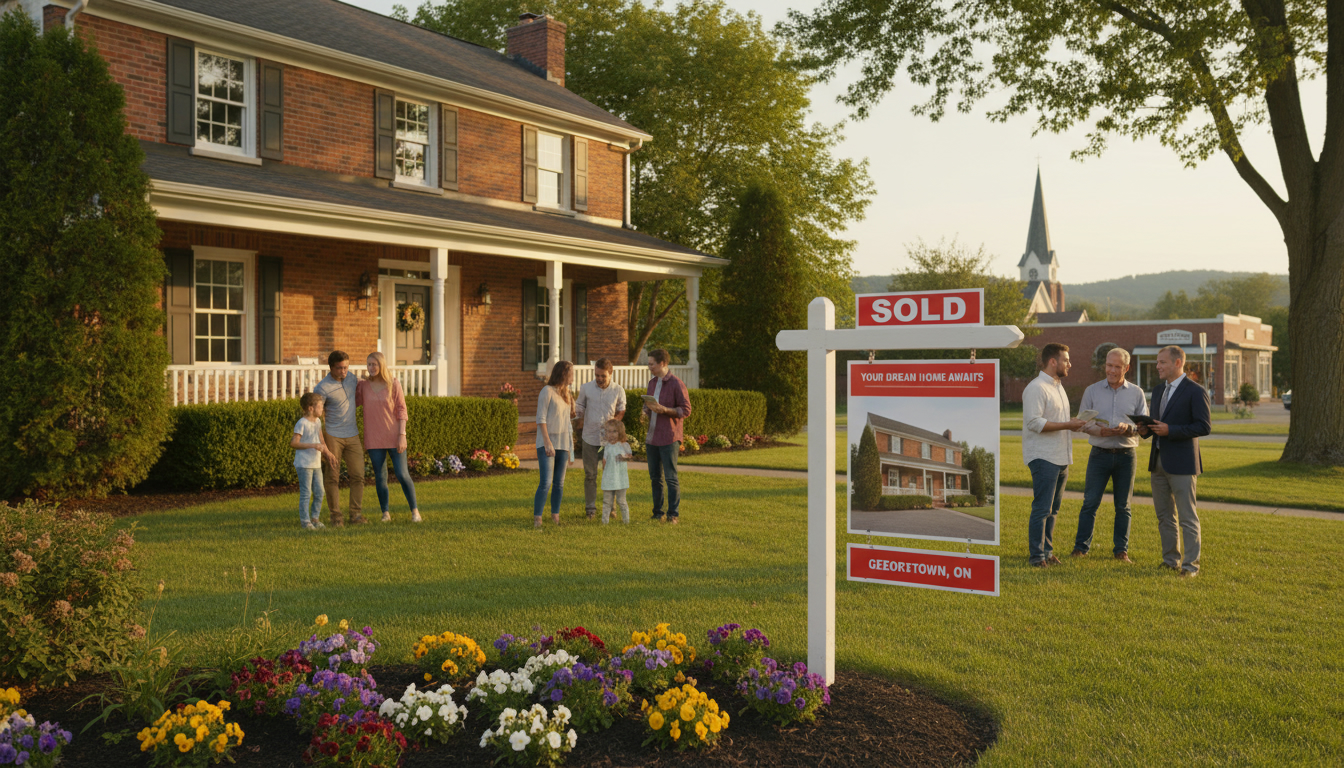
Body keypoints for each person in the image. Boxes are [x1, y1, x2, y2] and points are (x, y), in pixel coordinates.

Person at [1137, 345, 1211, 577]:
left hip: (1182, 463)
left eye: (1162, 362)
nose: (1157, 366)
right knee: (1164, 516)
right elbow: (1158, 425)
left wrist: (1172, 430)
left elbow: (1203, 426)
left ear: (1178, 363)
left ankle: (1191, 566)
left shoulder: (1195, 391)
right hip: (1157, 461)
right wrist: (1145, 430)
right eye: (1157, 362)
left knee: (1187, 517)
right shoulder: (1159, 390)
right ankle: (1170, 561)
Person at [1072, 348, 1148, 563]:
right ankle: (1081, 548)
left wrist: (1129, 428)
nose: (1111, 370)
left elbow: (1144, 428)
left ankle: (1121, 551)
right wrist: (1099, 430)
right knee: (1090, 503)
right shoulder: (1092, 391)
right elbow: (1082, 423)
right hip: (1099, 454)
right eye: (1108, 365)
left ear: (1126, 368)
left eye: (1116, 366)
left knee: (1123, 506)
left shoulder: (1136, 393)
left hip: (1126, 455)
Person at [1022, 343, 1087, 568]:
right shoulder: (1037, 387)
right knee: (1042, 509)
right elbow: (1034, 423)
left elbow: (1060, 422)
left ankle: (1047, 552)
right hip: (1043, 457)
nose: (1070, 364)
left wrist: (1074, 424)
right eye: (1066, 360)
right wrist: (1068, 424)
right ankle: (1036, 557)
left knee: (1053, 510)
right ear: (1053, 362)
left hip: (1061, 457)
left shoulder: (1058, 386)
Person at [356, 352, 421, 524]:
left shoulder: (393, 383)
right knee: (380, 477)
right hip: (373, 438)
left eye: (374, 364)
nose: (371, 368)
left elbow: (401, 410)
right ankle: (385, 513)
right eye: (369, 364)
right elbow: (350, 402)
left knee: (402, 474)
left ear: (382, 365)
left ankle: (415, 511)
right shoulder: (363, 386)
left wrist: (402, 435)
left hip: (394, 436)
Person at [315, 351, 365, 526]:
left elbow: (368, 386)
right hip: (333, 436)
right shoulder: (322, 387)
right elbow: (316, 417)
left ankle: (356, 515)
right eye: (340, 368)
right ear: (331, 367)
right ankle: (336, 516)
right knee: (332, 477)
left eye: (346, 367)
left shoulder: (352, 379)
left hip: (353, 435)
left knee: (358, 474)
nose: (344, 371)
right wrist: (323, 445)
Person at [642, 349, 691, 524]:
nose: (649, 367)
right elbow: (648, 404)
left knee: (670, 477)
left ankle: (673, 514)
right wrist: (645, 410)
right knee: (655, 477)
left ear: (662, 363)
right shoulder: (652, 383)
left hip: (669, 437)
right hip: (652, 437)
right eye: (648, 364)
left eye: (651, 364)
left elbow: (686, 410)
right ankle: (657, 513)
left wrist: (665, 410)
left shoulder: (677, 384)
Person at [575, 358, 627, 520]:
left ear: (610, 374)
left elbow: (621, 410)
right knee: (590, 475)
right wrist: (577, 415)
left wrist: (614, 424)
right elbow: (580, 407)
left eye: (603, 376)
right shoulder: (586, 388)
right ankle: (590, 509)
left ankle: (610, 508)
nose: (599, 378)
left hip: (609, 442)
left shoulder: (618, 390)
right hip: (590, 437)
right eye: (597, 375)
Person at [535, 360, 576, 528]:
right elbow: (541, 418)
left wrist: (571, 450)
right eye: (571, 373)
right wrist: (547, 442)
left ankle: (555, 515)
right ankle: (538, 517)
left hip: (563, 444)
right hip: (548, 443)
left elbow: (568, 424)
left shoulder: (567, 394)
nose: (573, 376)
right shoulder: (547, 391)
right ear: (563, 373)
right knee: (546, 482)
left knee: (559, 482)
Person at [291, 392, 337, 530]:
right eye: (320, 406)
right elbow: (294, 443)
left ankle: (315, 519)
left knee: (320, 491)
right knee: (306, 493)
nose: (322, 409)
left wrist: (328, 453)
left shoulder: (317, 421)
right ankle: (306, 521)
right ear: (311, 408)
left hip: (316, 464)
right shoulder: (302, 423)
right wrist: (313, 446)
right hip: (304, 464)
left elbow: (321, 439)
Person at [598, 418, 633, 524]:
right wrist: (603, 471)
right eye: (609, 431)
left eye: (614, 431)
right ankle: (604, 521)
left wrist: (623, 457)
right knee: (607, 501)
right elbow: (604, 461)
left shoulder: (624, 445)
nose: (611, 434)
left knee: (621, 501)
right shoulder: (607, 447)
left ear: (620, 432)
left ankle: (626, 520)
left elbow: (630, 457)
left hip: (620, 478)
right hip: (609, 477)